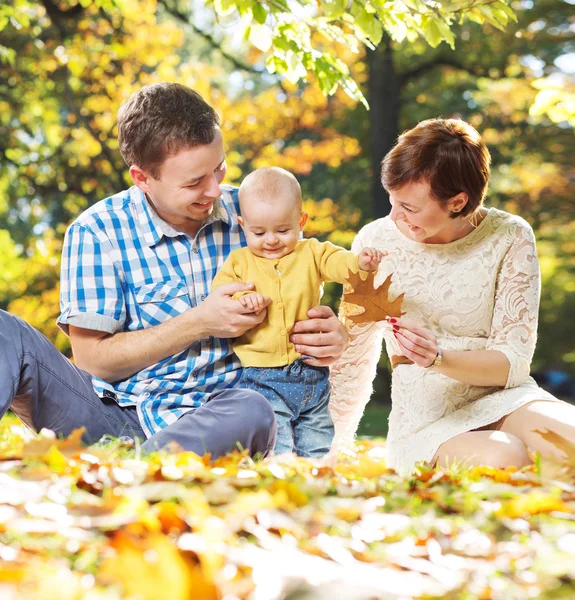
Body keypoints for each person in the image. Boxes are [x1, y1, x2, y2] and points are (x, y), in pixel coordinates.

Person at [0, 82, 348, 458]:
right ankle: (141, 467)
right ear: (142, 178)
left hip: (221, 418)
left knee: (253, 409)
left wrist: (331, 337)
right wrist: (200, 323)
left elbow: (308, 289)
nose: (215, 190)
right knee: (5, 331)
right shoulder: (97, 231)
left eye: (219, 168)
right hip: (114, 418)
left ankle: (129, 474)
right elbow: (92, 360)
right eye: (195, 181)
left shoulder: (255, 216)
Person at [328, 118, 575, 475]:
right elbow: (353, 359)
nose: (394, 216)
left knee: (568, 442)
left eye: (409, 208)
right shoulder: (375, 243)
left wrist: (439, 357)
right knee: (506, 458)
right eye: (392, 201)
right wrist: (332, 451)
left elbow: (514, 362)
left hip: (507, 400)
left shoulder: (510, 237)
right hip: (426, 422)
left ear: (457, 202)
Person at [211, 167, 384, 457]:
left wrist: (359, 263)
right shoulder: (238, 261)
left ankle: (312, 475)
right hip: (261, 375)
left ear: (301, 221)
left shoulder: (311, 253)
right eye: (258, 232)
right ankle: (279, 479)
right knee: (275, 441)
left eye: (283, 230)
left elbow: (337, 262)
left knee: (316, 434)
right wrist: (245, 298)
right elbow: (222, 293)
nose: (271, 240)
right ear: (243, 226)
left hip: (310, 371)